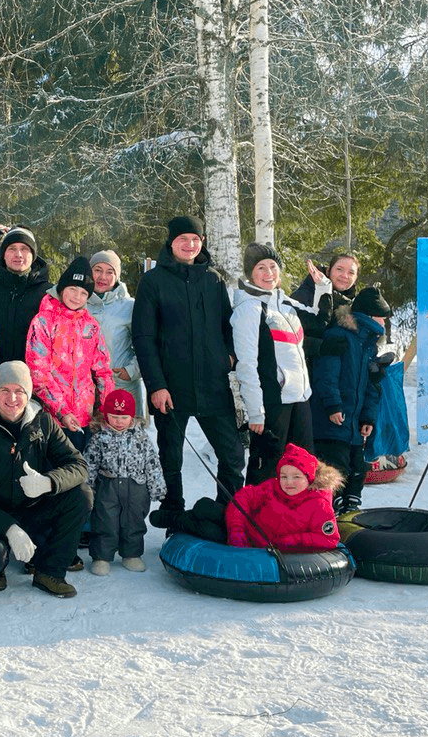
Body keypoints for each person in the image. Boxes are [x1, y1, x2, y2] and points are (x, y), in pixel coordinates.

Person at [131, 216, 244, 523]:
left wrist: (229, 356)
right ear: (171, 242)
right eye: (183, 239)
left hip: (213, 384)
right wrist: (156, 385)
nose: (190, 244)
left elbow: (227, 325)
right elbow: (143, 337)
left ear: (202, 242)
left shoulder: (213, 279)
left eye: (196, 239)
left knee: (232, 455)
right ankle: (173, 512)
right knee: (171, 456)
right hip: (172, 385)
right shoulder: (153, 282)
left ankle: (228, 511)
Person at [0, 361, 90, 598]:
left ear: (28, 393)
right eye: (5, 390)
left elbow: (78, 466)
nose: (12, 398)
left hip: (32, 511)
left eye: (19, 391)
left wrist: (48, 482)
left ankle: (49, 572)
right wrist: (9, 528)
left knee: (81, 495)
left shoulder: (44, 422)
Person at [231, 242, 323, 485]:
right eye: (261, 267)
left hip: (300, 397)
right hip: (272, 402)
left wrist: (322, 286)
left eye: (273, 266)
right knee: (268, 469)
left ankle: (299, 519)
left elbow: (319, 319)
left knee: (304, 465)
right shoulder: (249, 309)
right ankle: (256, 520)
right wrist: (255, 412)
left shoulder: (285, 303)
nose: (269, 273)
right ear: (250, 273)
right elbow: (246, 365)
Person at [310, 286, 389, 514]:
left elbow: (370, 386)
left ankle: (349, 508)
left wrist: (368, 417)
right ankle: (324, 513)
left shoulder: (368, 344)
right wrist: (332, 404)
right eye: (381, 318)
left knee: (358, 469)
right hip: (332, 419)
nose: (383, 323)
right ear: (368, 317)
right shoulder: (340, 336)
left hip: (353, 421)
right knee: (335, 469)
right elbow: (326, 375)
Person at [25, 255, 115, 452]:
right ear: (62, 288)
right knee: (58, 472)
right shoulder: (43, 322)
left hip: (85, 416)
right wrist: (62, 410)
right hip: (53, 418)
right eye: (72, 289)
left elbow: (103, 370)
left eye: (83, 293)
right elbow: (39, 374)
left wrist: (108, 409)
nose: (77, 296)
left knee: (82, 472)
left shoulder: (91, 326)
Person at [84, 389, 164, 574]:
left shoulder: (141, 438)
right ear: (106, 416)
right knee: (105, 522)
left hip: (136, 487)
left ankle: (132, 554)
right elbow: (90, 463)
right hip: (108, 486)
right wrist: (87, 487)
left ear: (132, 417)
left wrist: (157, 486)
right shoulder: (99, 438)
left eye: (124, 417)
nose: (119, 422)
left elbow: (152, 463)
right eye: (114, 417)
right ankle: (102, 557)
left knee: (134, 522)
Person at [225, 443, 342, 552]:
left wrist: (291, 541)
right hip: (248, 541)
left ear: (309, 478)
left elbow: (329, 539)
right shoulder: (271, 487)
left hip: (275, 557)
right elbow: (242, 499)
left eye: (296, 477)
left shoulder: (319, 504)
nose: (289, 482)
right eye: (284, 477)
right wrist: (236, 531)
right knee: (208, 509)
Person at [0, 227, 53, 364]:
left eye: (24, 248)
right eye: (12, 248)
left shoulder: (48, 294)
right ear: (3, 255)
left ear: (33, 255)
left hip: (35, 378)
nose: (18, 254)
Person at [87, 251, 143, 416]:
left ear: (117, 276)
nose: (102, 276)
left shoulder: (130, 306)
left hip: (121, 387)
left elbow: (147, 344)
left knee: (125, 439)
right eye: (97, 269)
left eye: (109, 271)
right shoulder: (78, 303)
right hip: (86, 391)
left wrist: (131, 371)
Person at [292, 252, 360, 364]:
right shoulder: (304, 296)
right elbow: (288, 336)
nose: (345, 275)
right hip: (301, 369)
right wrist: (321, 346)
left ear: (356, 277)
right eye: (339, 269)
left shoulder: (352, 306)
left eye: (351, 272)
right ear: (328, 271)